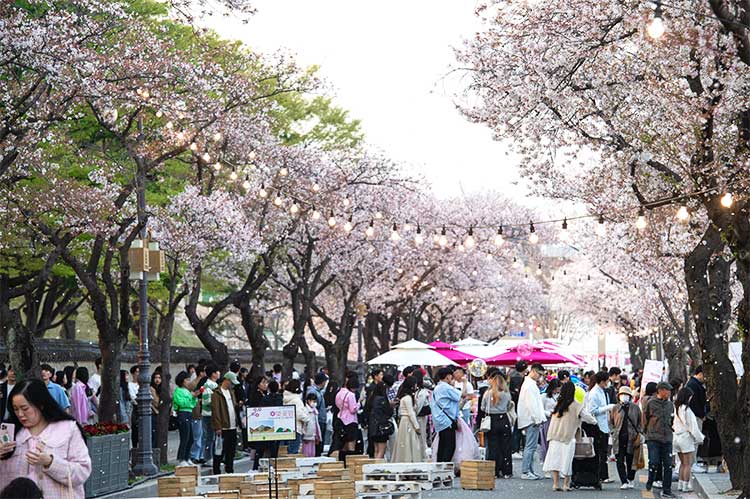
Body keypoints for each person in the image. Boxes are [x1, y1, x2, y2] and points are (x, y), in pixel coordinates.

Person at [0, 379, 91, 497]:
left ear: (41, 405)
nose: (20, 414)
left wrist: (51, 463)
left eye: (25, 408)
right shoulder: (8, 432)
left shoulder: (68, 429)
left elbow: (82, 472)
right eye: (16, 409)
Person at [543, 381, 584, 491]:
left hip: (554, 435)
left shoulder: (558, 403)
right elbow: (585, 416)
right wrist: (595, 422)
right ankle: (566, 484)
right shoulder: (576, 404)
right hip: (567, 436)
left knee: (555, 460)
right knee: (567, 460)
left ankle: (555, 484)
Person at [645, 382, 676, 498]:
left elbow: (672, 420)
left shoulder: (670, 405)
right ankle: (650, 480)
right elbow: (645, 418)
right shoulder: (650, 403)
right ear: (661, 390)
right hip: (653, 437)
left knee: (668, 465)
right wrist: (647, 432)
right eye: (667, 390)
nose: (669, 393)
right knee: (654, 462)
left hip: (667, 437)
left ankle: (667, 489)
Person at [584, 371, 615, 483]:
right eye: (607, 381)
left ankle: (603, 475)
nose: (608, 382)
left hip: (604, 424)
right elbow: (592, 410)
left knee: (603, 451)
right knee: (600, 451)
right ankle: (602, 475)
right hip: (597, 426)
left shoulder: (602, 391)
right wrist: (607, 408)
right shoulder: (594, 393)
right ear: (602, 381)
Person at [609, 386, 643, 489]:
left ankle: (630, 478)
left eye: (627, 395)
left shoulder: (635, 408)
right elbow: (611, 422)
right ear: (619, 396)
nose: (624, 397)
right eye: (622, 395)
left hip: (632, 438)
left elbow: (640, 422)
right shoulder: (615, 408)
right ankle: (624, 481)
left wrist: (640, 433)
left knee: (631, 459)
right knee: (619, 460)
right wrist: (613, 431)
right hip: (618, 438)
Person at [481, 370, 513, 478]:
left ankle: (493, 471)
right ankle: (506, 471)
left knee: (492, 446)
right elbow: (509, 406)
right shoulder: (506, 394)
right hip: (503, 419)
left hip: (492, 420)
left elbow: (483, 408)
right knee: (505, 446)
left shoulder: (488, 393)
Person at [517, 363, 546, 480]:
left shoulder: (529, 384)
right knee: (530, 446)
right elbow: (532, 405)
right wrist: (537, 419)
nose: (540, 377)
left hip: (531, 419)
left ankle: (529, 470)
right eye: (539, 374)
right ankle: (526, 471)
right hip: (531, 419)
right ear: (533, 371)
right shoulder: (529, 385)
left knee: (531, 446)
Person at [673, 387, 704, 492]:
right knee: (688, 464)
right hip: (685, 438)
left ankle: (680, 485)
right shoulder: (688, 410)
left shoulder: (676, 408)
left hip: (676, 437)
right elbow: (693, 428)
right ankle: (686, 486)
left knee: (682, 463)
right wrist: (700, 438)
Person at [211, 372, 240, 474]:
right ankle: (216, 470)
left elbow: (233, 406)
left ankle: (229, 469)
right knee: (219, 450)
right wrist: (218, 426)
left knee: (231, 451)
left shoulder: (231, 392)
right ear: (226, 380)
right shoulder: (216, 393)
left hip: (232, 425)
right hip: (223, 427)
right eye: (231, 382)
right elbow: (216, 411)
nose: (232, 385)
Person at [430, 367, 460, 464]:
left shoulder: (437, 387)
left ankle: (439, 468)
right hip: (447, 421)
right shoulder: (446, 387)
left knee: (442, 445)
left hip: (439, 420)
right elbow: (460, 395)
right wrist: (463, 382)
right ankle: (444, 468)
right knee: (450, 446)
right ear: (447, 377)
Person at [393, 377, 423, 462]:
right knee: (409, 442)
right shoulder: (408, 398)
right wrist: (417, 426)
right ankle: (408, 461)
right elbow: (411, 413)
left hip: (404, 421)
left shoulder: (405, 397)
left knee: (405, 443)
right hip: (408, 422)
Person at [173, 371, 198, 466]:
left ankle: (187, 457)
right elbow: (181, 403)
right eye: (187, 380)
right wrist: (190, 398)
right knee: (185, 436)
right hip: (182, 413)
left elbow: (192, 404)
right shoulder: (178, 391)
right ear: (183, 381)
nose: (188, 382)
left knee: (191, 438)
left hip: (189, 412)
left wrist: (194, 397)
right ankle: (181, 458)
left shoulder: (188, 391)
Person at [685, 365, 707, 473]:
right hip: (695, 417)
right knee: (694, 440)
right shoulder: (693, 384)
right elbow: (694, 403)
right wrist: (701, 415)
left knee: (695, 440)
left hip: (695, 416)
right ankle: (692, 463)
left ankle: (693, 463)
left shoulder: (694, 384)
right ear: (700, 373)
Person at [335, 376, 360, 461]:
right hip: (350, 421)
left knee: (343, 444)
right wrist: (359, 404)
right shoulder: (351, 395)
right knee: (351, 443)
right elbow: (353, 409)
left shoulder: (339, 393)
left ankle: (342, 461)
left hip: (341, 418)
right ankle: (350, 462)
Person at [366, 382, 393, 459]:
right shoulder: (383, 400)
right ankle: (377, 467)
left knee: (376, 450)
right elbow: (388, 412)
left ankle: (374, 463)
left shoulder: (372, 399)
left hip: (373, 427)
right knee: (381, 450)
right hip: (381, 427)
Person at [200, 365, 220, 465]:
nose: (219, 373)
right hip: (209, 415)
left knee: (211, 437)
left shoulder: (212, 385)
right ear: (213, 374)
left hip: (210, 414)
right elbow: (208, 402)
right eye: (217, 371)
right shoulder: (209, 386)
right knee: (209, 437)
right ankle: (208, 458)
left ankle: (211, 457)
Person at [283, 379, 310, 455]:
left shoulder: (285, 399)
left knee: (288, 450)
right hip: (296, 427)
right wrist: (307, 418)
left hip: (286, 427)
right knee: (293, 451)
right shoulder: (296, 400)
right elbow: (299, 414)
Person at [248, 376, 268, 470]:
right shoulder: (256, 395)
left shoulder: (264, 394)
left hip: (265, 423)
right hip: (258, 423)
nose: (265, 385)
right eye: (263, 383)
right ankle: (256, 466)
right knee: (259, 447)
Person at [306, 372, 328, 457]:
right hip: (317, 421)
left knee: (320, 444)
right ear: (322, 382)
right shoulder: (313, 392)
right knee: (317, 444)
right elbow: (312, 406)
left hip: (320, 419)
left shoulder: (319, 391)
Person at [541, 378, 561, 465]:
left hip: (557, 420)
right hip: (547, 420)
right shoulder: (544, 397)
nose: (558, 390)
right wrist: (549, 413)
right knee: (546, 441)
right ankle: (546, 461)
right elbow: (540, 409)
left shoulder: (559, 396)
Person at [509, 361, 527, 455]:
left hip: (515, 405)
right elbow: (518, 393)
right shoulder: (518, 378)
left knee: (517, 427)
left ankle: (516, 448)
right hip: (519, 406)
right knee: (518, 427)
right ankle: (515, 448)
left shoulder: (513, 376)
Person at [302, 392, 321, 457]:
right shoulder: (305, 410)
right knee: (306, 452)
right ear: (308, 401)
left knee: (312, 453)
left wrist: (318, 435)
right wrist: (305, 434)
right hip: (307, 435)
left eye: (315, 401)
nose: (314, 403)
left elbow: (316, 424)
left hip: (313, 435)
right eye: (312, 400)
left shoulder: (315, 411)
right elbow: (305, 424)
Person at [150, 371, 162, 449]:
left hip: (160, 414)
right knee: (154, 435)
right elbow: (156, 402)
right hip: (154, 413)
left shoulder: (162, 388)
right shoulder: (151, 388)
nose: (157, 380)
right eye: (155, 378)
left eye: (159, 378)